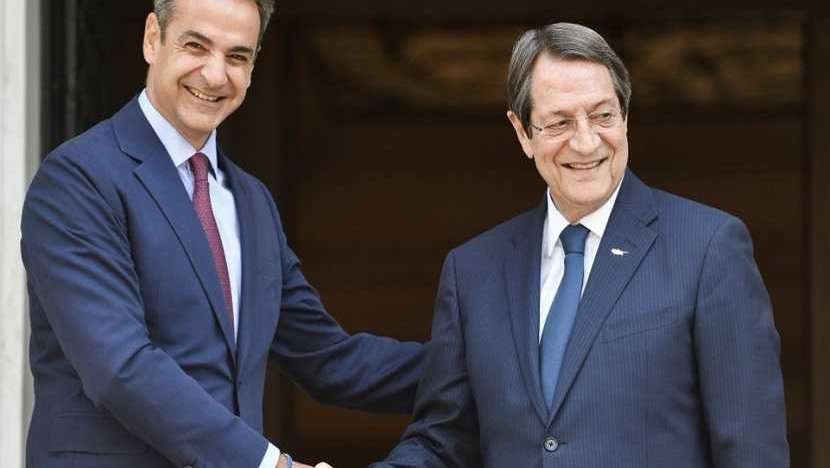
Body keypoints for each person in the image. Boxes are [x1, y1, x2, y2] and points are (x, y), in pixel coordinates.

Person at [21, 1, 424, 467]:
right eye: (196, 46)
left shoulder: (250, 201)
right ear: (153, 38)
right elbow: (120, 367)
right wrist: (271, 465)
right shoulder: (78, 180)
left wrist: (476, 365)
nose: (215, 75)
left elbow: (328, 359)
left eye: (237, 57)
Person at [373, 22, 789, 468]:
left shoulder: (708, 248)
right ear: (522, 132)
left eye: (603, 116)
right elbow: (442, 441)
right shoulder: (473, 271)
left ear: (625, 116)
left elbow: (751, 452)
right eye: (560, 122)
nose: (587, 142)